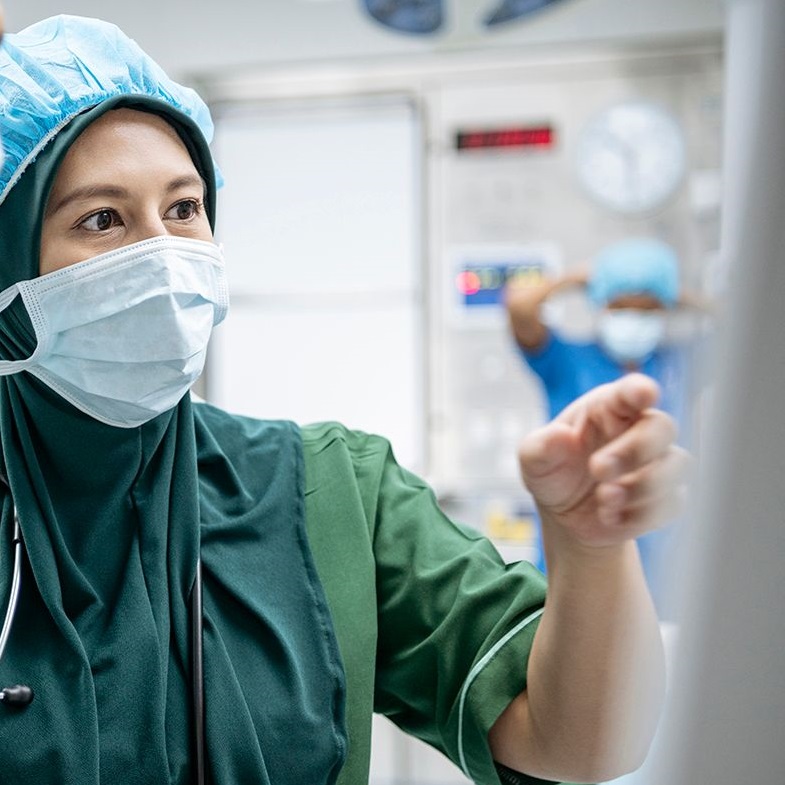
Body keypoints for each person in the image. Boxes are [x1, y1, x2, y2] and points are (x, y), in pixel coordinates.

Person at [0, 14, 687, 785]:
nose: (163, 255)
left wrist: (588, 548)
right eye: (102, 219)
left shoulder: (330, 493)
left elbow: (583, 742)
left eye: (184, 209)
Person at [504, 239, 703, 615]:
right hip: (577, 554)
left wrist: (675, 292)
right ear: (601, 304)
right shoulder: (566, 361)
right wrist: (578, 278)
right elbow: (520, 308)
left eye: (647, 309)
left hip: (661, 568)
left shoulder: (678, 363)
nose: (634, 318)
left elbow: (753, 329)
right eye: (621, 305)